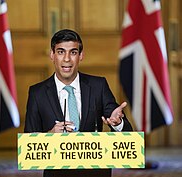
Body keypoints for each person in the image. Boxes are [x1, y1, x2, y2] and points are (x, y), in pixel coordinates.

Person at [24, 29, 133, 177]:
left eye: (73, 52)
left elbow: (126, 132)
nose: (67, 59)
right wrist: (50, 135)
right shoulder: (37, 93)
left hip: (95, 172)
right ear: (52, 55)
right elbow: (29, 144)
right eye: (61, 52)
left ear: (80, 56)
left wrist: (117, 123)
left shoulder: (98, 86)